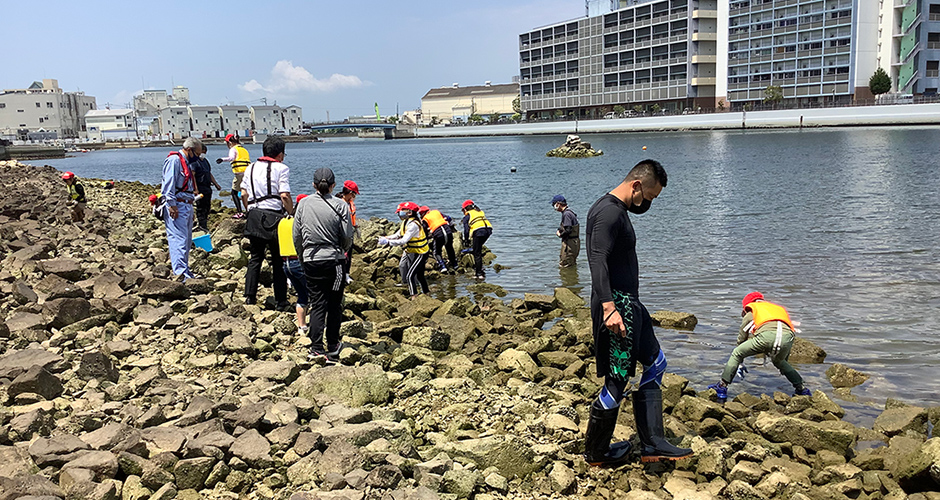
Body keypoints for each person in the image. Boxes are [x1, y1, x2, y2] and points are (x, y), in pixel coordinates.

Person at [583, 159, 692, 466]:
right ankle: (596, 452)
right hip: (617, 308)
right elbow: (597, 260)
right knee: (617, 381)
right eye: (649, 196)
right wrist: (609, 308)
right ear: (636, 185)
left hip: (631, 306)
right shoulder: (607, 212)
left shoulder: (618, 210)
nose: (648, 204)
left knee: (656, 363)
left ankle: (653, 443)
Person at [293, 168, 354, 360]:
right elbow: (347, 236)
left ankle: (316, 347)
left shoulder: (303, 204)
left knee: (318, 303)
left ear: (313, 185)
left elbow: (297, 235)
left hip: (311, 259)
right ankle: (333, 344)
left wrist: (303, 256)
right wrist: (342, 250)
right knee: (334, 304)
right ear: (334, 186)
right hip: (333, 259)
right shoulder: (341, 205)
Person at [707, 292, 812, 402]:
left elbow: (743, 333)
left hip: (766, 336)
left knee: (737, 353)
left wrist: (740, 354)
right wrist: (784, 359)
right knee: (780, 362)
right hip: (788, 337)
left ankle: (722, 387)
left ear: (747, 305)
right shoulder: (777, 308)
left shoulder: (753, 310)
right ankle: (802, 389)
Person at [241, 136, 293, 309]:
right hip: (274, 218)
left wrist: (249, 210)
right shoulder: (282, 168)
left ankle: (250, 297)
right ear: (279, 154)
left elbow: (243, 193)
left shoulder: (250, 167)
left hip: (254, 215)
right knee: (278, 261)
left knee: (255, 258)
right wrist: (291, 213)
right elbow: (284, 195)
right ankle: (281, 301)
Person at [161, 138, 203, 281]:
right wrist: (171, 204)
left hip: (187, 203)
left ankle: (185, 270)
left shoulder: (186, 162)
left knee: (186, 240)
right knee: (178, 239)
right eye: (197, 154)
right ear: (189, 150)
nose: (198, 157)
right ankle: (180, 273)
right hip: (177, 205)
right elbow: (168, 185)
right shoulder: (174, 161)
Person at [379, 202, 430, 297]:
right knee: (420, 275)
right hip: (414, 252)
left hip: (421, 253)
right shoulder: (406, 223)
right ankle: (427, 294)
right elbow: (397, 235)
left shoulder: (413, 225)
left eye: (401, 211)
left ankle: (413, 296)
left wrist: (388, 242)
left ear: (409, 212)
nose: (399, 214)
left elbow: (403, 240)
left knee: (410, 276)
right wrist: (386, 238)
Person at [280, 194, 311, 335]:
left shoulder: (283, 222)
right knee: (313, 294)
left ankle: (301, 326)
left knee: (302, 294)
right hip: (299, 262)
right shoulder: (299, 223)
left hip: (286, 264)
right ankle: (319, 324)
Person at [217, 133, 251, 218]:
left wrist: (222, 159)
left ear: (229, 142)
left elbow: (231, 158)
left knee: (234, 193)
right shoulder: (243, 149)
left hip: (239, 173)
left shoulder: (233, 149)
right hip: (248, 173)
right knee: (247, 193)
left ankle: (240, 212)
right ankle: (249, 210)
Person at [192, 143, 222, 232]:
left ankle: (204, 225)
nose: (204, 154)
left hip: (207, 187)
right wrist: (195, 188)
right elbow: (192, 175)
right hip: (200, 187)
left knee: (207, 207)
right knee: (201, 207)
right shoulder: (194, 162)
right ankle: (201, 226)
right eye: (203, 152)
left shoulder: (205, 161)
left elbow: (209, 173)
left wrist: (216, 184)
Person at [419, 205, 458, 274]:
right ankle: (455, 264)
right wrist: (451, 227)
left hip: (438, 234)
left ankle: (442, 266)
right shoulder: (436, 212)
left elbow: (424, 231)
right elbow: (448, 218)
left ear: (422, 214)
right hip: (448, 231)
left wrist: (426, 238)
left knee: (437, 251)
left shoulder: (425, 219)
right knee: (449, 248)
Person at [460, 199, 493, 280]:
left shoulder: (467, 216)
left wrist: (466, 240)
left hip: (479, 232)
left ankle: (479, 274)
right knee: (477, 249)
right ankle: (480, 268)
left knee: (477, 253)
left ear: (465, 209)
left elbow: (466, 230)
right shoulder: (479, 211)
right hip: (488, 230)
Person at [337, 180, 359, 283]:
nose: (354, 197)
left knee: (348, 255)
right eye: (354, 194)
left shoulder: (350, 204)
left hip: (350, 232)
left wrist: (356, 227)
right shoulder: (339, 203)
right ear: (350, 193)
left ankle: (346, 275)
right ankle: (340, 275)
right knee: (341, 255)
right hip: (341, 233)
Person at [552, 194, 580, 268]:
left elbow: (568, 230)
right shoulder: (570, 212)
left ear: (558, 204)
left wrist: (559, 235)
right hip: (574, 243)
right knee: (571, 264)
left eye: (553, 204)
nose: (553, 207)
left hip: (569, 244)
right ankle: (573, 278)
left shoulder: (566, 214)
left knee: (565, 265)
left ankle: (567, 279)